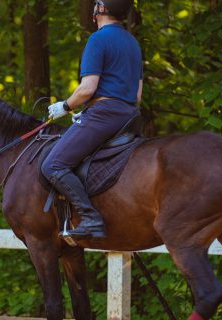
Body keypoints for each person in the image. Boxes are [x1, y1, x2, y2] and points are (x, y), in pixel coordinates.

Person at [41, 0, 142, 240]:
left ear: (102, 9)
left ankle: (91, 218)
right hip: (129, 116)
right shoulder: (132, 43)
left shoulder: (98, 39)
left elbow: (87, 89)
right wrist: (87, 111)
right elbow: (137, 96)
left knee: (52, 165)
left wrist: (64, 107)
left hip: (105, 116)